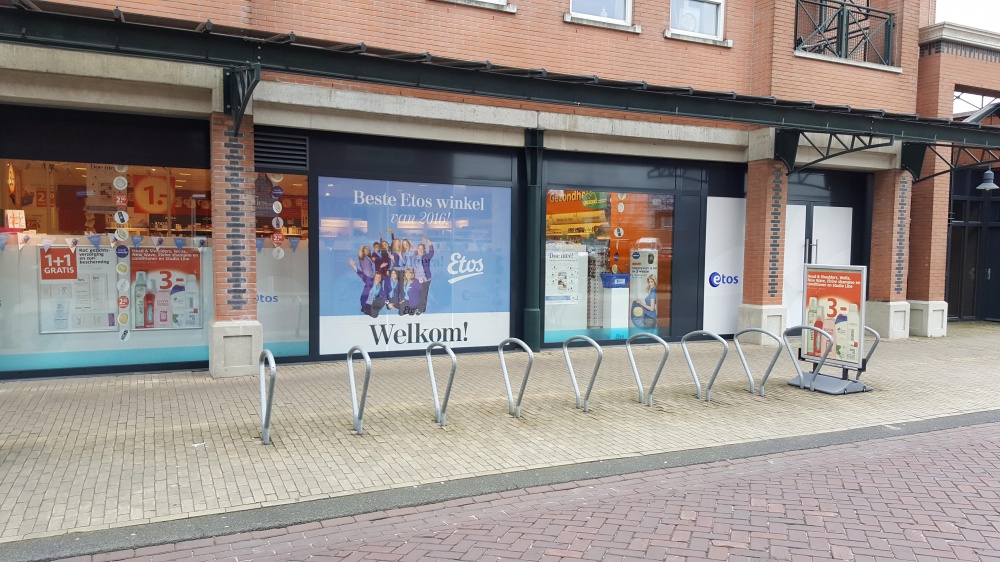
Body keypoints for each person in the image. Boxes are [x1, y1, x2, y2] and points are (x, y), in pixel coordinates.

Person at [413, 235, 435, 313]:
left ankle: (421, 310)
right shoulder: (415, 257)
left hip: (425, 279)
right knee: (416, 294)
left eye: (421, 249)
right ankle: (416, 307)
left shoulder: (426, 257)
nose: (420, 250)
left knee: (423, 295)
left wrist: (429, 242)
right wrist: (422, 243)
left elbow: (431, 252)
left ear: (424, 250)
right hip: (416, 279)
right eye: (419, 248)